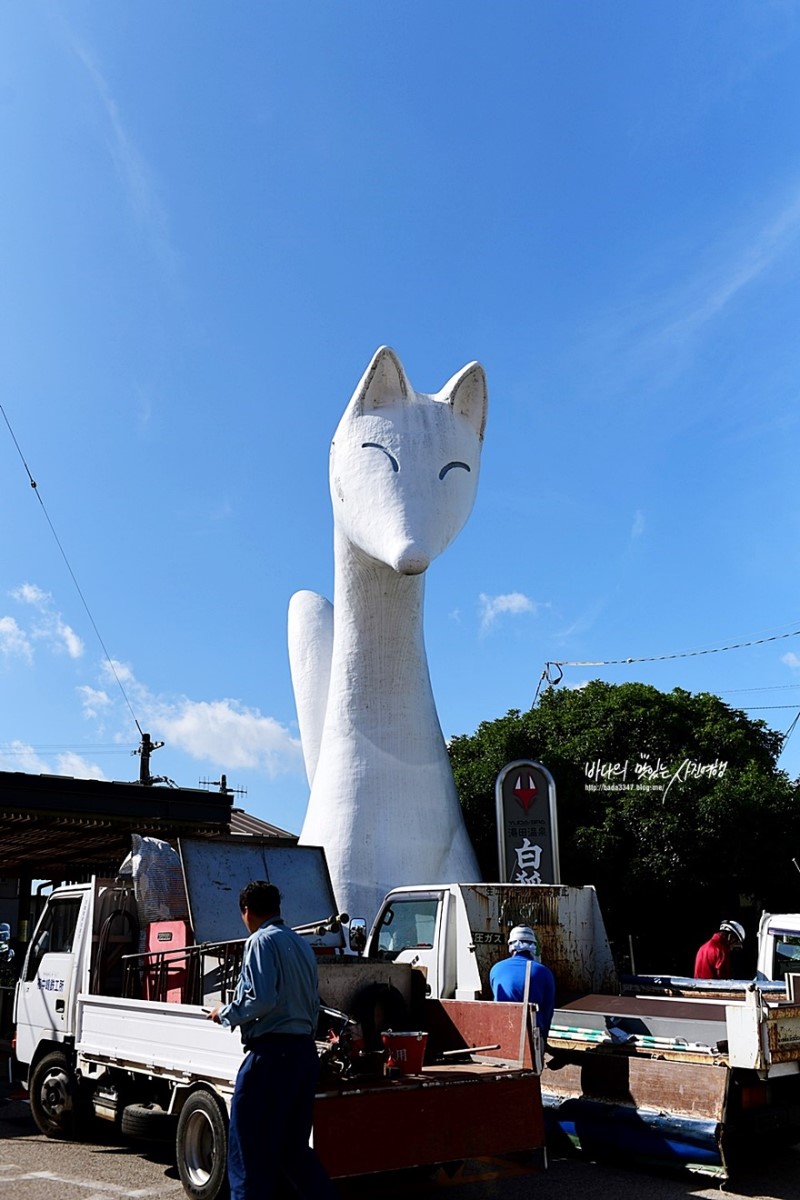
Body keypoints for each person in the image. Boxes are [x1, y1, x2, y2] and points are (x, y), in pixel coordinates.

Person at [207, 880, 337, 1200]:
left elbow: (260, 999)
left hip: (271, 1055)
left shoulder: (260, 941)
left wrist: (224, 1013)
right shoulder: (301, 944)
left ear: (246, 911)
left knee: (248, 1149)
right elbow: (312, 1003)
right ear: (278, 909)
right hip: (303, 1055)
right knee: (293, 1151)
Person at [489, 924, 556, 1039]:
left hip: (501, 1032)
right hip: (532, 1036)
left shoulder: (496, 969)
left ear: (511, 946)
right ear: (533, 946)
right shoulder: (544, 972)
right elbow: (547, 1011)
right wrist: (543, 1039)